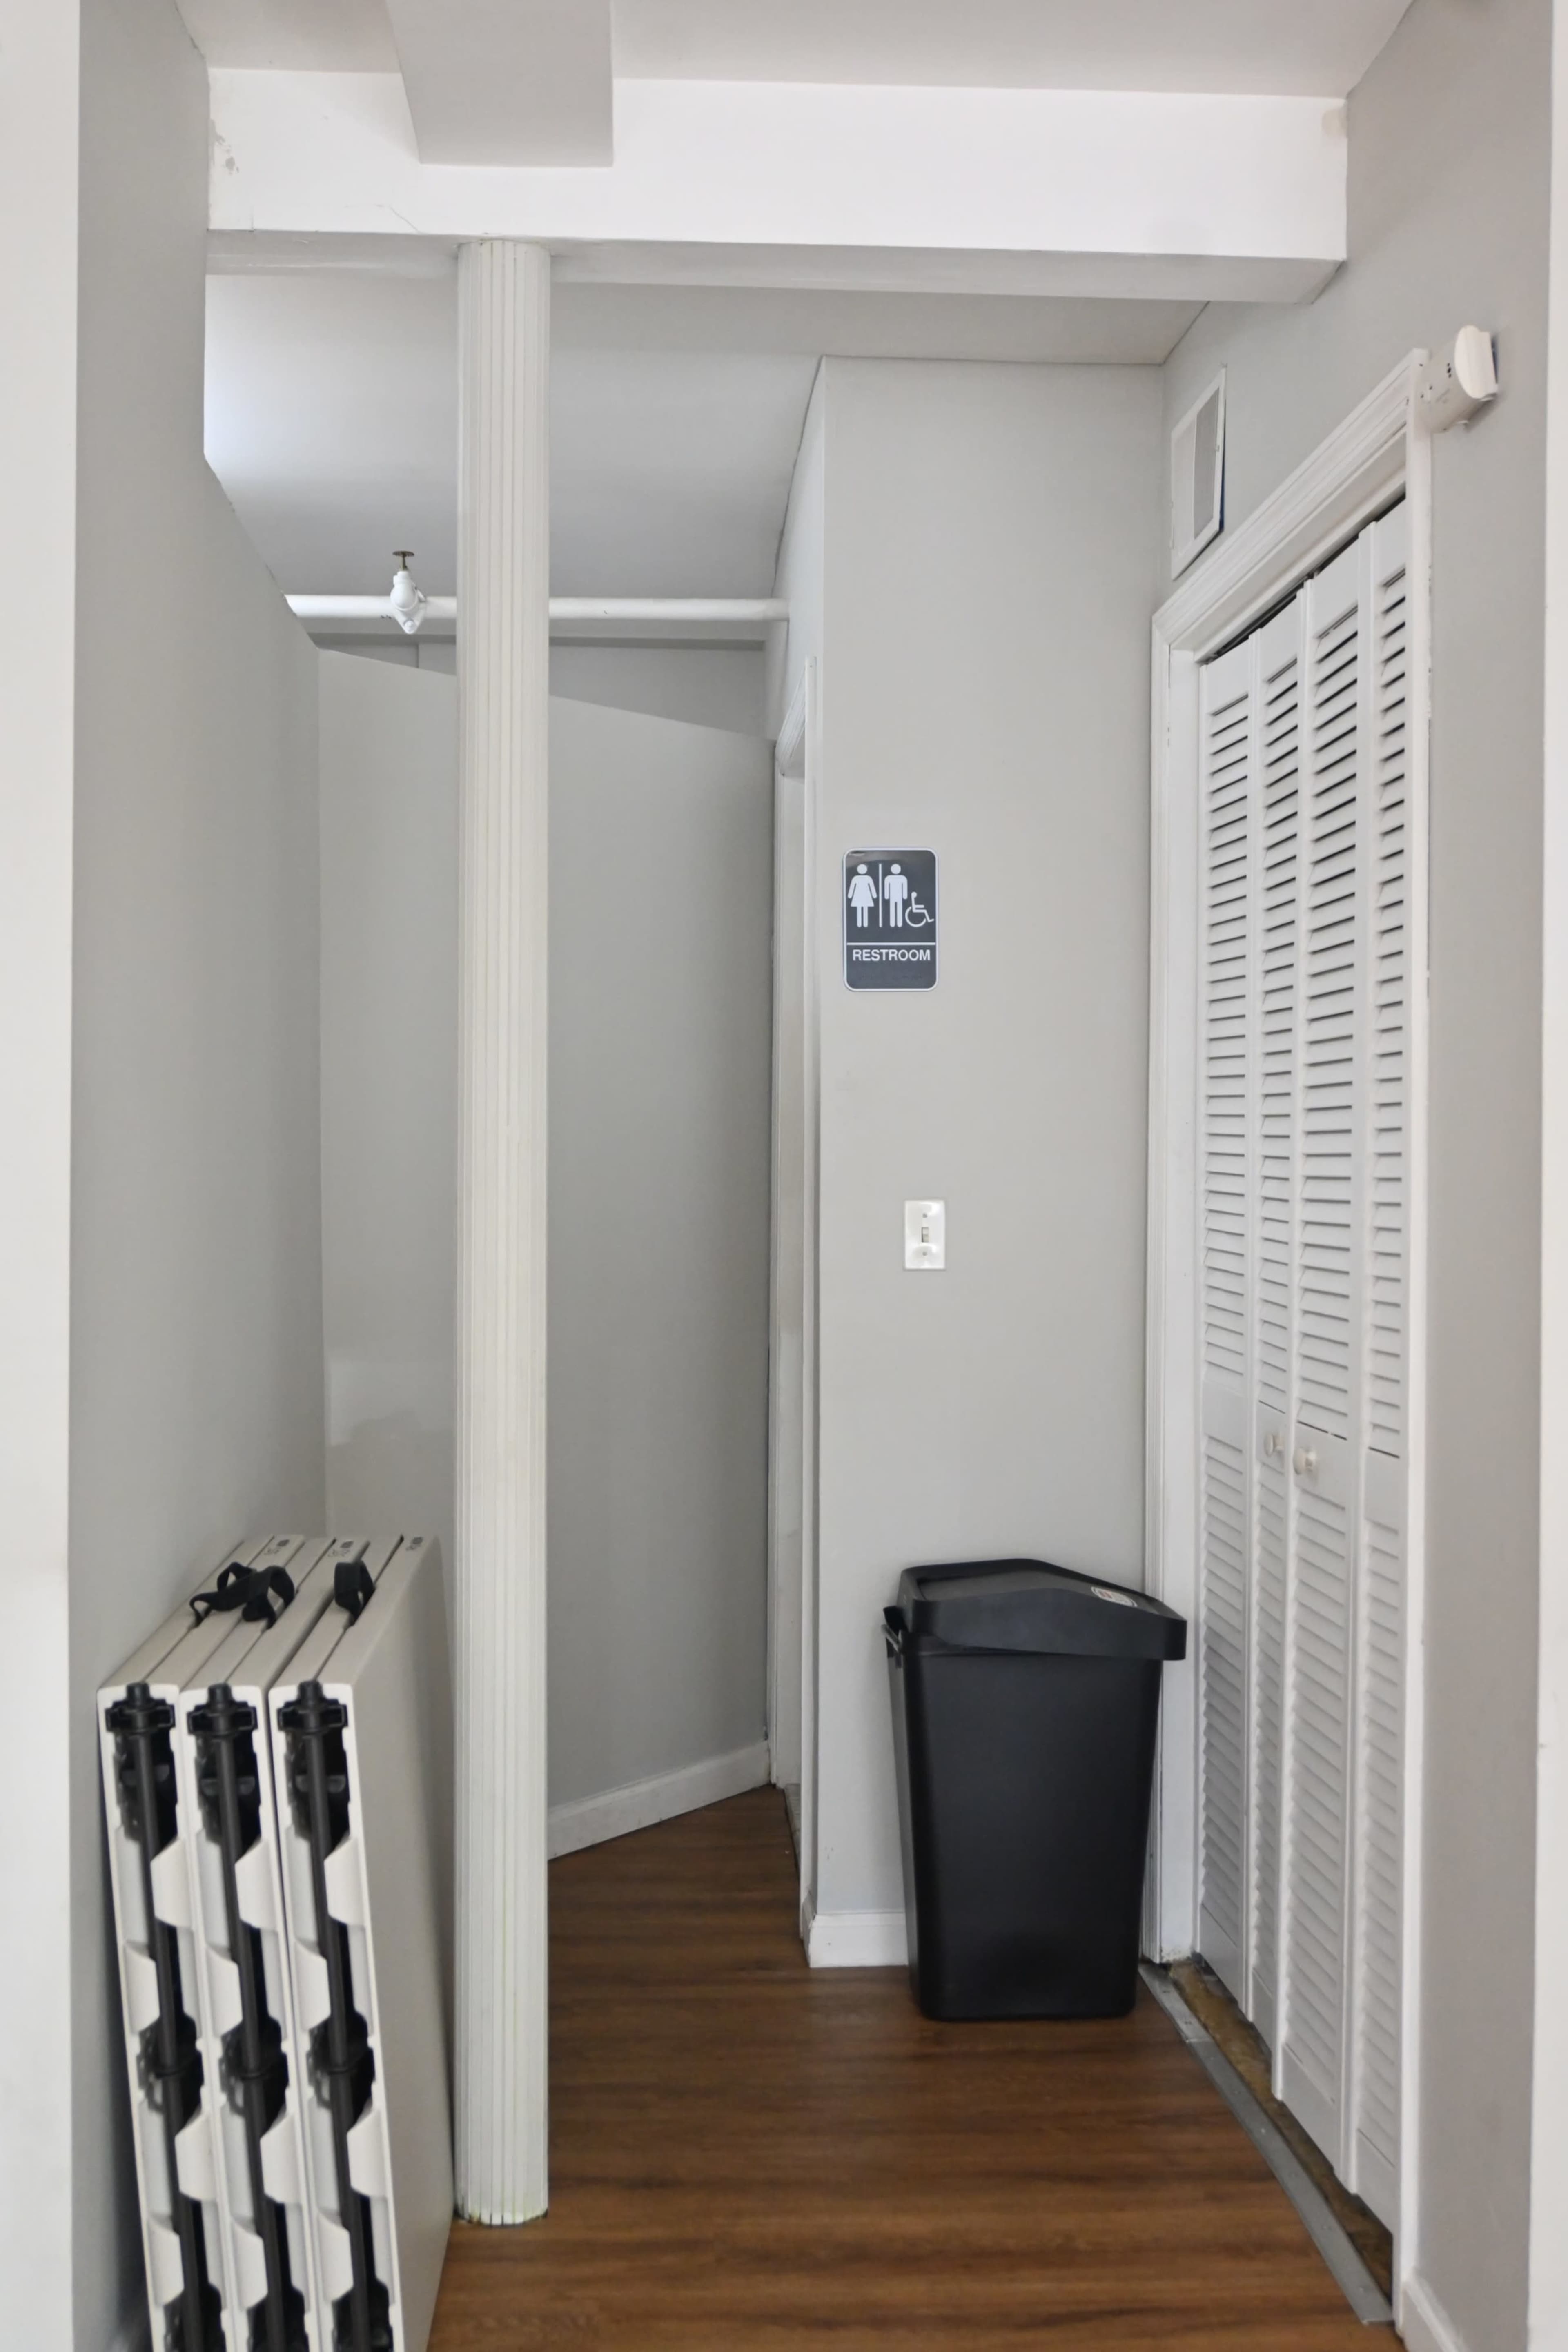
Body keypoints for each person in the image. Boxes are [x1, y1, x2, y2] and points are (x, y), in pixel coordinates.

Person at [847, 862, 878, 929]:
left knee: (862, 909)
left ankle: (862, 924)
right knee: (863, 910)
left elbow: (872, 887)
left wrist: (850, 895)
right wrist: (874, 895)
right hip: (863, 896)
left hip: (861, 896)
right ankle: (862, 924)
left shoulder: (860, 878)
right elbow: (852, 887)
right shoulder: (863, 878)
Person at [882, 862, 910, 927]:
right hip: (895, 896)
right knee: (894, 909)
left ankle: (898, 923)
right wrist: (886, 896)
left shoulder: (902, 878)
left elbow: (905, 888)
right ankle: (894, 923)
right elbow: (887, 888)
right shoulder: (889, 878)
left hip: (897, 896)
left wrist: (905, 896)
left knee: (897, 909)